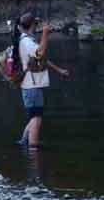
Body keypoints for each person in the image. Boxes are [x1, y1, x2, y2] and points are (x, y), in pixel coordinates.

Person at [13, 12, 71, 147]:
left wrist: (59, 70)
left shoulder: (28, 39)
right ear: (32, 25)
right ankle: (33, 148)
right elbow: (40, 53)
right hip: (31, 86)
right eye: (36, 23)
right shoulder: (26, 41)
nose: (38, 25)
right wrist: (45, 34)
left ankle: (24, 141)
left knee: (34, 117)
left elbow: (41, 59)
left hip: (32, 85)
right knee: (36, 118)